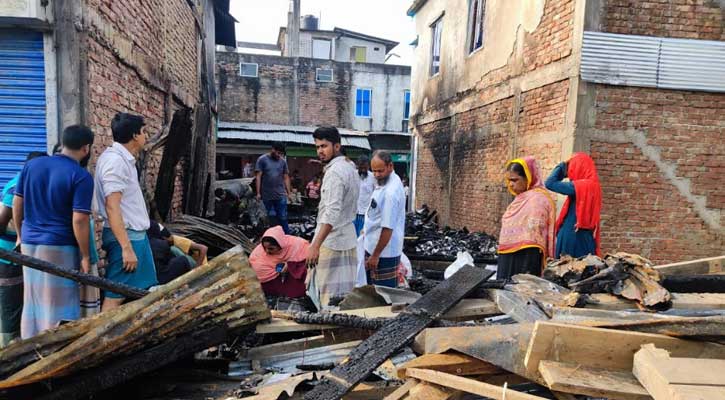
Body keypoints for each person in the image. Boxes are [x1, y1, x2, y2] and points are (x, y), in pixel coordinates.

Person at [13, 126, 95, 338]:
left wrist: (21, 234)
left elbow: (17, 202)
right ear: (86, 148)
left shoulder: (32, 165)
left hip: (30, 243)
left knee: (33, 299)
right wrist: (85, 255)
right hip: (60, 245)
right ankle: (55, 349)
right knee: (59, 302)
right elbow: (79, 219)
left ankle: (29, 347)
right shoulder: (81, 176)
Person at [95, 113, 158, 311]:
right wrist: (126, 247)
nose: (146, 135)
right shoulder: (115, 162)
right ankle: (102, 339)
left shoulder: (122, 160)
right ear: (134, 135)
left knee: (141, 292)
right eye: (143, 132)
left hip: (134, 235)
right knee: (116, 295)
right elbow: (112, 206)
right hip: (126, 237)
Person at [306, 126, 360, 309]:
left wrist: (315, 245)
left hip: (332, 242)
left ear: (337, 146)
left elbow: (331, 213)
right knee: (346, 298)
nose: (320, 151)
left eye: (324, 146)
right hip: (348, 240)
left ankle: (331, 334)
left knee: (329, 300)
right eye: (317, 147)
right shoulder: (350, 167)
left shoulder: (335, 172)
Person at [0, 151, 46, 345]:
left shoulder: (38, 186)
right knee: (11, 303)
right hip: (9, 254)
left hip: (26, 253)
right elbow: (2, 220)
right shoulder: (16, 187)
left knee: (25, 300)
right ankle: (8, 350)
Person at [497, 157, 557, 279]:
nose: (510, 184)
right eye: (508, 180)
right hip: (507, 254)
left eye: (515, 180)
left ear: (528, 178)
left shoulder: (538, 200)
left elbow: (534, 232)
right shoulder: (520, 199)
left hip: (527, 256)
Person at [545, 152, 602, 258]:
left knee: (566, 270)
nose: (570, 172)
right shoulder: (595, 186)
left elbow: (549, 183)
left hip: (572, 236)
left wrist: (561, 166)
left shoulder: (580, 186)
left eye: (572, 167)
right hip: (587, 237)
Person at [363, 151, 407, 287]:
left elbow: (387, 228)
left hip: (383, 253)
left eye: (380, 171)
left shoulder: (390, 193)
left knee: (382, 295)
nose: (376, 174)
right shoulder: (387, 181)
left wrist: (375, 255)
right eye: (374, 171)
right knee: (372, 291)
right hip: (374, 246)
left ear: (390, 166)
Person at [249, 226, 309, 300]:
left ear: (280, 245)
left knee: (303, 268)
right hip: (271, 282)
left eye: (271, 248)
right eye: (264, 248)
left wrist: (289, 265)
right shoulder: (258, 255)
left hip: (289, 276)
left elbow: (308, 257)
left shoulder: (295, 244)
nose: (267, 251)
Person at [256, 142, 292, 233]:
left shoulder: (282, 161)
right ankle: (275, 236)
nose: (279, 155)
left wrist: (289, 193)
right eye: (278, 153)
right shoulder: (262, 160)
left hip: (280, 194)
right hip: (267, 195)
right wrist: (258, 193)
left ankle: (287, 236)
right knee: (271, 216)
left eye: (281, 154)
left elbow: (286, 177)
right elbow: (258, 176)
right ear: (273, 149)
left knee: (283, 216)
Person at [354, 155, 376, 237]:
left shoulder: (373, 177)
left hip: (366, 215)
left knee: (363, 238)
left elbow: (376, 194)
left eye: (365, 168)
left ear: (368, 166)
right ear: (357, 166)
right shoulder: (352, 175)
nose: (363, 170)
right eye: (361, 167)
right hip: (353, 213)